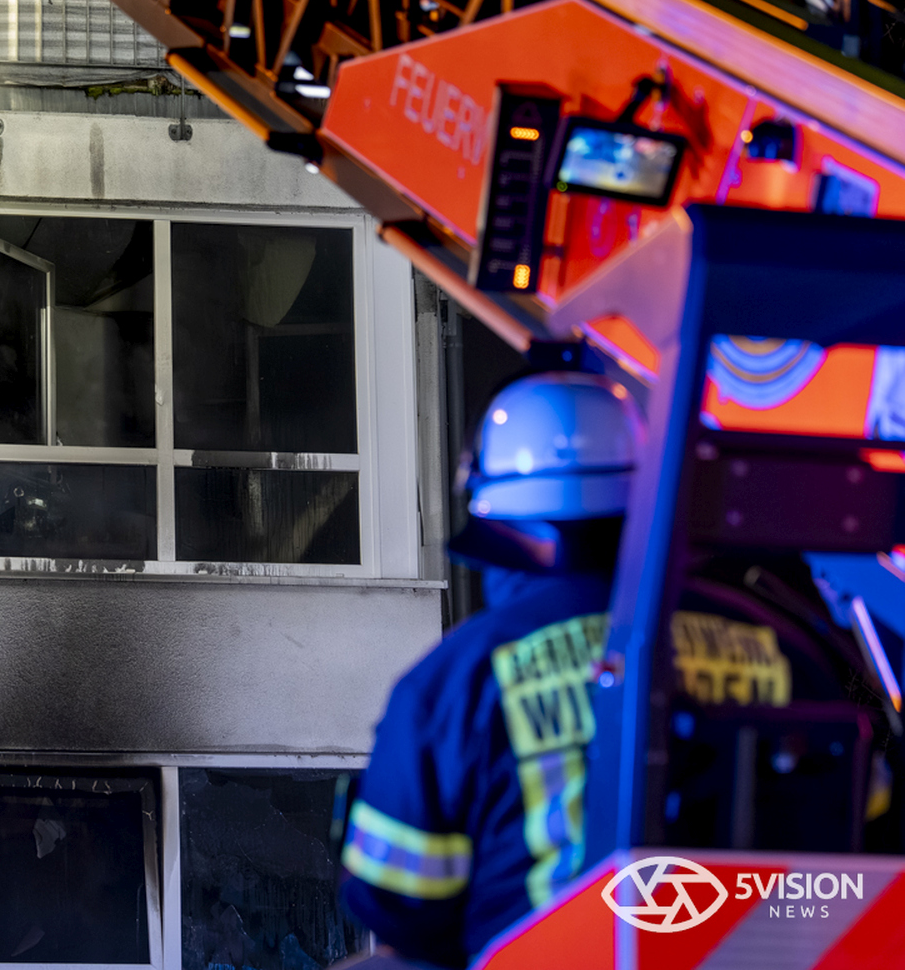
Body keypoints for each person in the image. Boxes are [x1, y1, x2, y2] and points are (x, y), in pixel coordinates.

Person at [338, 364, 900, 969]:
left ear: (495, 516)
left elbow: (396, 909)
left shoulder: (453, 685)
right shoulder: (790, 644)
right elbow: (871, 837)